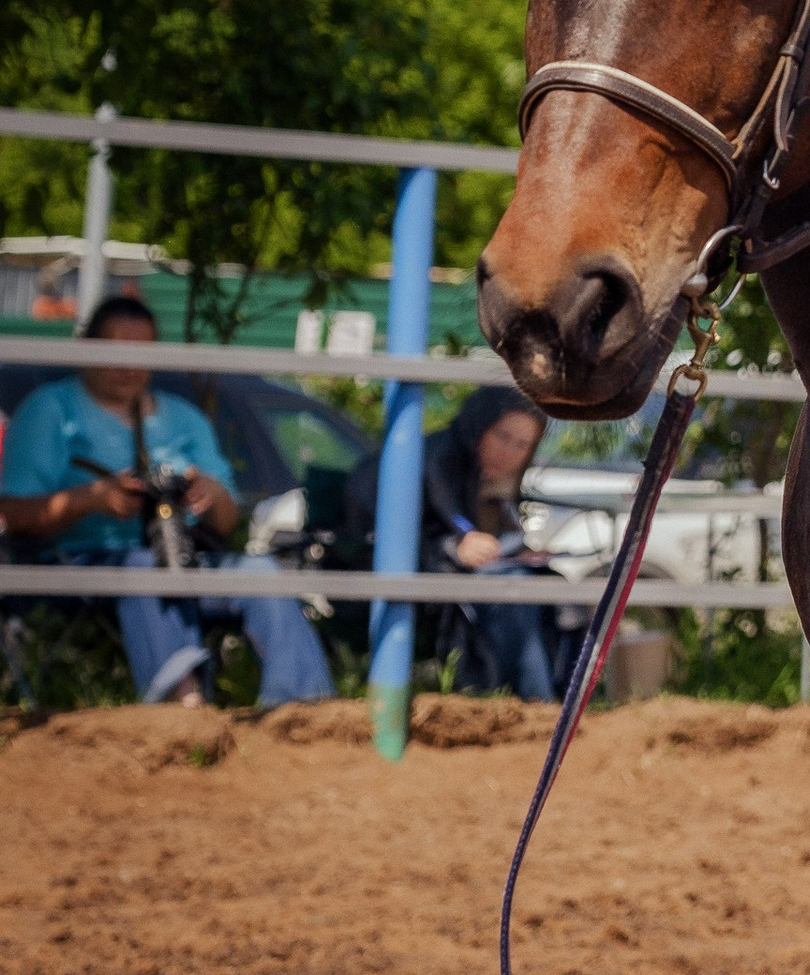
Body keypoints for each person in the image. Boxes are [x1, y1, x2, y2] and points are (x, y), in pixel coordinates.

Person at [0, 293, 334, 710]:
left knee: (259, 569)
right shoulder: (50, 410)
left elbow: (226, 522)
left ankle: (303, 709)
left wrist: (209, 496)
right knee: (142, 568)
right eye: (116, 352)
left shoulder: (183, 417)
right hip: (75, 566)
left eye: (142, 353)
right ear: (87, 349)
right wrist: (90, 500)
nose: (129, 366)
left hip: (180, 560)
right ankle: (183, 708)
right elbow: (13, 515)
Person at [347, 387, 561, 697]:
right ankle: (538, 703)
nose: (510, 453)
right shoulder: (435, 459)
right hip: (398, 580)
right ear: (480, 426)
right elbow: (399, 534)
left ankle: (565, 698)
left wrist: (517, 550)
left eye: (522, 445)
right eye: (503, 436)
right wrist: (456, 548)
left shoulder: (488, 475)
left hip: (459, 580)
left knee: (560, 591)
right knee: (514, 587)